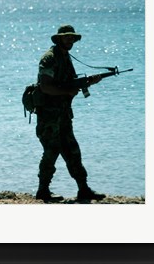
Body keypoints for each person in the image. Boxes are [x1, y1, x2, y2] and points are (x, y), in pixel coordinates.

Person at [34, 25, 106, 202]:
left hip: (64, 116)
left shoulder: (66, 57)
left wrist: (89, 82)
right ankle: (42, 191)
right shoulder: (49, 58)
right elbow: (46, 86)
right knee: (51, 153)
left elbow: (70, 84)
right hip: (49, 117)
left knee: (73, 151)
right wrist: (67, 93)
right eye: (66, 37)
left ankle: (84, 189)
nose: (70, 40)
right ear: (59, 39)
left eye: (72, 38)